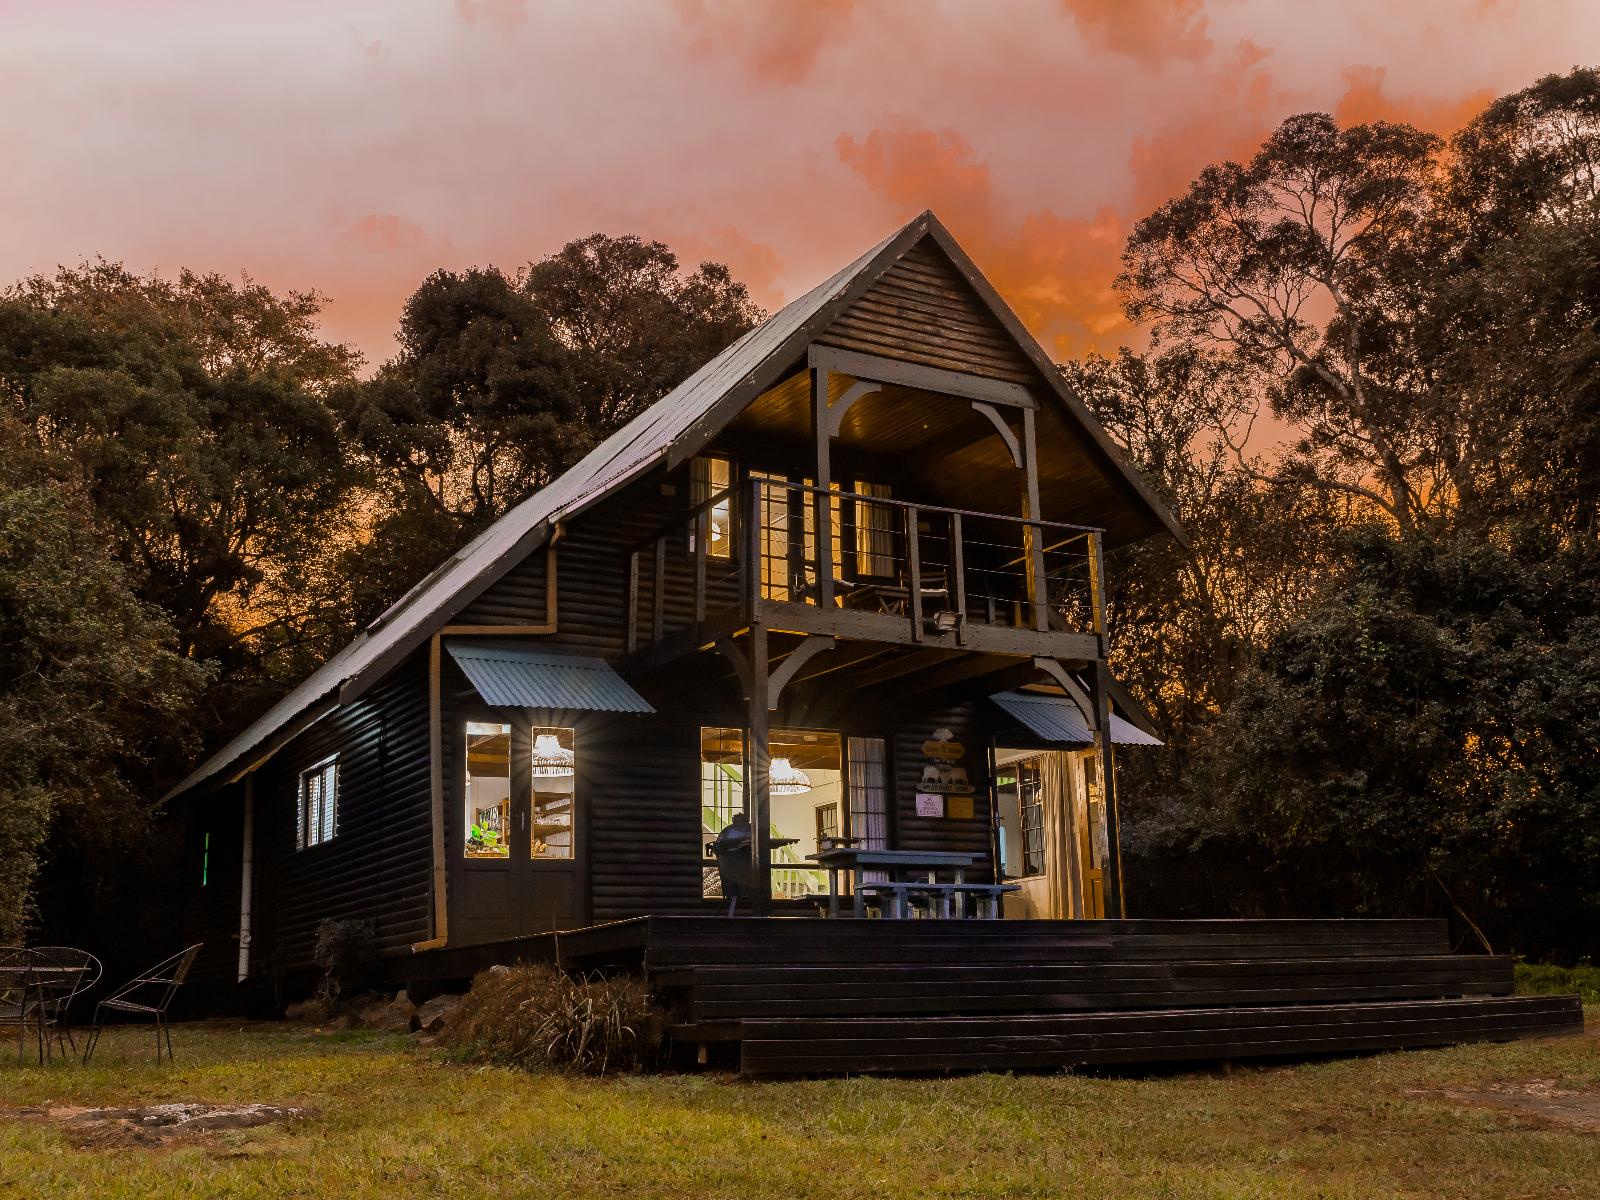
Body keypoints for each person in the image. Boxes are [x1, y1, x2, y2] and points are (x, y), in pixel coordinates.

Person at [712, 813, 755, 914]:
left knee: (733, 892)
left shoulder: (727, 832)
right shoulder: (751, 830)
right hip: (748, 873)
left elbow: (719, 848)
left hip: (729, 871)